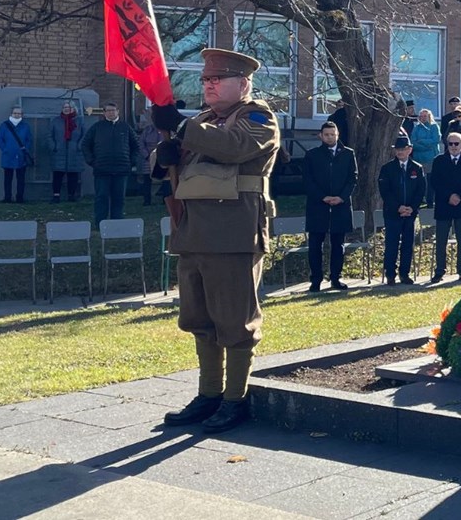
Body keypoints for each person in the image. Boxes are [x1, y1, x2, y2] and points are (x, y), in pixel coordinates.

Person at [149, 48, 280, 434]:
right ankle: (209, 394)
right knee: (199, 319)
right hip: (194, 233)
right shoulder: (204, 121)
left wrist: (182, 127)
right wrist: (164, 154)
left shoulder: (258, 116)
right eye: (206, 79)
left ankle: (234, 399)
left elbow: (234, 147)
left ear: (242, 84)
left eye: (217, 79)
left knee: (235, 322)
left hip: (233, 234)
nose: (208, 84)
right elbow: (168, 171)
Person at [303, 121, 356, 292]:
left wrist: (341, 197)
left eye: (332, 134)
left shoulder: (348, 154)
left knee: (338, 245)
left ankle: (336, 278)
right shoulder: (312, 155)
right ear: (321, 135)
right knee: (315, 245)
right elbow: (307, 180)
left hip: (340, 206)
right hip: (318, 206)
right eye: (326, 134)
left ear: (338, 135)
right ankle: (316, 279)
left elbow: (352, 178)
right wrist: (323, 197)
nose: (330, 137)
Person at [429, 132, 461, 283]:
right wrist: (449, 196)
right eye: (450, 144)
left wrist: (460, 196)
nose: (453, 147)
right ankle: (439, 271)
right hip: (444, 205)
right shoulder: (439, 160)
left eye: (456, 144)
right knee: (441, 240)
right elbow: (435, 182)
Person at [378, 133, 426, 286]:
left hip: (410, 214)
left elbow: (421, 190)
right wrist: (398, 207)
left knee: (407, 244)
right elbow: (385, 191)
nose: (400, 152)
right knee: (391, 244)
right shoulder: (387, 168)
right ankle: (390, 274)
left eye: (403, 149)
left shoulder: (417, 168)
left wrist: (412, 208)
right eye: (397, 149)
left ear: (409, 150)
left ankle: (404, 273)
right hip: (393, 213)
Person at [81, 101, 140, 226]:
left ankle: (117, 224)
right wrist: (92, 161)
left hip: (121, 170)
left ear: (118, 111)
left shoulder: (125, 127)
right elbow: (85, 144)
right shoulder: (97, 127)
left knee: (119, 198)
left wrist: (131, 162)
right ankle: (100, 223)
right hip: (102, 170)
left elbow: (136, 146)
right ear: (104, 113)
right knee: (101, 197)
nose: (111, 112)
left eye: (113, 110)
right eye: (108, 110)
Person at [49, 100, 86, 203]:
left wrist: (78, 146)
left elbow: (84, 135)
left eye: (69, 107)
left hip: (74, 152)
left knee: (73, 175)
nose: (66, 109)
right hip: (59, 151)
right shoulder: (56, 121)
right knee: (57, 174)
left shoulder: (79, 121)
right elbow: (49, 135)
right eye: (64, 107)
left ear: (74, 109)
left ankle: (71, 195)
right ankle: (56, 196)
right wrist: (54, 146)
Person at [0, 105, 33, 203]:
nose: (17, 115)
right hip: (8, 155)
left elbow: (29, 139)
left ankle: (19, 197)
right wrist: (5, 149)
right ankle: (7, 197)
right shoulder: (4, 125)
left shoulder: (25, 126)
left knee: (21, 178)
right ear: (11, 114)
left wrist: (25, 149)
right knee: (8, 178)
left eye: (19, 113)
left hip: (21, 156)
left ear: (22, 114)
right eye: (15, 113)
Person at [138, 108, 165, 206]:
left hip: (161, 158)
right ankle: (147, 200)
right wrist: (147, 155)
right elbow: (141, 143)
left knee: (165, 179)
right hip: (148, 158)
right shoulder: (147, 131)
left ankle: (165, 200)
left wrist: (161, 156)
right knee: (147, 180)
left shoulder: (165, 130)